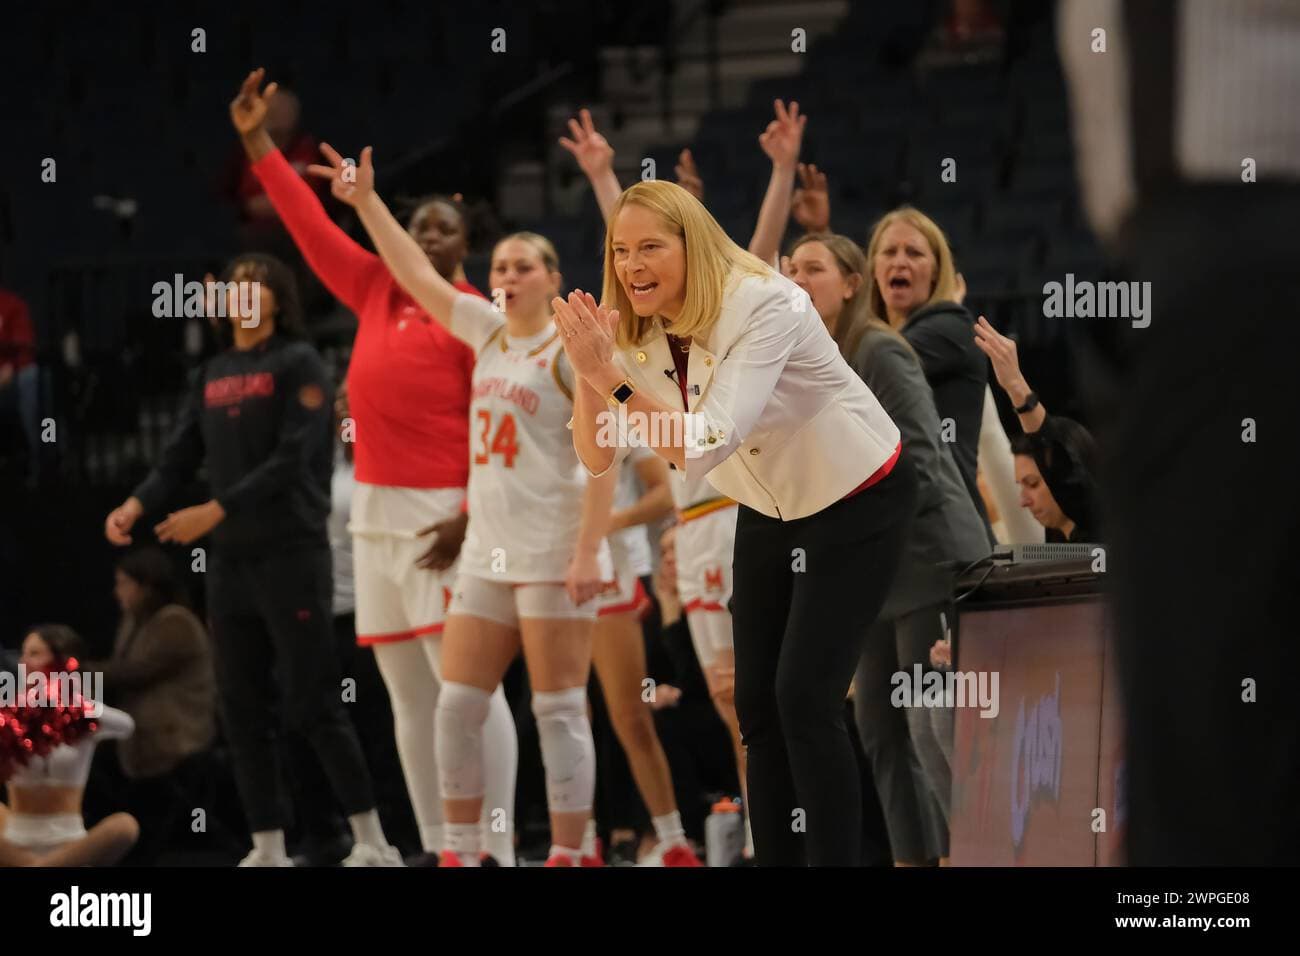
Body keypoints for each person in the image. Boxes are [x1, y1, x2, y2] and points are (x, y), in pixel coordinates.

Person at [559, 177, 915, 866]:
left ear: (691, 246)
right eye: (620, 250)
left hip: (857, 493)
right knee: (756, 706)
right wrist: (588, 373)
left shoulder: (764, 302)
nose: (631, 265)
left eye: (650, 247)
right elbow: (597, 456)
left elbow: (704, 444)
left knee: (803, 698)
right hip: (768, 506)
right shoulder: (631, 327)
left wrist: (611, 379)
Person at [231, 70, 517, 865]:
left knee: (468, 692)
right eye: (417, 226)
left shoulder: (476, 320)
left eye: (442, 229)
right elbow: (308, 226)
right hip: (375, 516)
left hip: (446, 515)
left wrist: (469, 516)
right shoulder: (374, 289)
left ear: (465, 246)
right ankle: (442, 848)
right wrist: (259, 144)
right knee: (409, 699)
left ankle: (497, 848)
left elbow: (499, 433)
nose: (427, 237)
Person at [309, 143, 620, 867]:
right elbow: (415, 273)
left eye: (524, 267)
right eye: (500, 266)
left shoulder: (572, 352)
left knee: (557, 709)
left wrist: (588, 551)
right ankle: (459, 850)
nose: (507, 276)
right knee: (455, 704)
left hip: (553, 547)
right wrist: (366, 204)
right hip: (488, 551)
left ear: (554, 279)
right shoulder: (484, 328)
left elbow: (602, 460)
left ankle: (570, 852)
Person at [103, 251, 401, 867]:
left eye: (256, 282)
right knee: (240, 706)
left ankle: (372, 839)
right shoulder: (211, 372)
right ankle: (268, 846)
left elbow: (293, 458)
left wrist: (218, 508)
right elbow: (179, 453)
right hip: (233, 564)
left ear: (278, 299)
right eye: (235, 282)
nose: (243, 289)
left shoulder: (300, 362)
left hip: (292, 553)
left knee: (313, 701)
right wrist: (136, 503)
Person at [784, 233, 990, 866]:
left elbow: (921, 461)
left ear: (852, 284)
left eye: (813, 268)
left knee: (935, 730)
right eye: (791, 269)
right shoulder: (820, 357)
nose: (797, 279)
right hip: (875, 571)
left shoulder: (880, 349)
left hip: (928, 554)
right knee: (879, 730)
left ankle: (972, 855)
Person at [588, 445, 703, 866]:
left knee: (630, 714)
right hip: (544, 565)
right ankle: (585, 841)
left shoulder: (620, 417)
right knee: (563, 712)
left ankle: (670, 839)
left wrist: (609, 522)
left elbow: (664, 492)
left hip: (618, 569)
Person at [82, 548, 215, 865]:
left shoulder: (175, 622)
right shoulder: (135, 622)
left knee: (93, 761)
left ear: (147, 586)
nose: (118, 592)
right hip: (140, 729)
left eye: (124, 583)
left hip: (173, 732)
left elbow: (134, 672)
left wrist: (73, 670)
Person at [864, 208, 991, 532]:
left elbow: (853, 376)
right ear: (873, 269)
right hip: (904, 530)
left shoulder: (949, 328)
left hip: (945, 536)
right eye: (889, 252)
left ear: (936, 272)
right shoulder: (878, 340)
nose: (900, 261)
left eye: (914, 253)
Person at [1, 625, 139, 867]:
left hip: (69, 843)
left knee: (125, 826)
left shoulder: (83, 716)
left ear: (62, 661)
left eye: (34, 654)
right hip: (15, 842)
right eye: (24, 654)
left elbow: (126, 725)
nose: (23, 662)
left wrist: (74, 705)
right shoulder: (9, 716)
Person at [974, 315, 1100, 542]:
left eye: (1033, 483)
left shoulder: (1101, 529)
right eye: (1022, 486)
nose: (1023, 501)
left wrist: (1016, 385)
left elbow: (1056, 457)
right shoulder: (1054, 541)